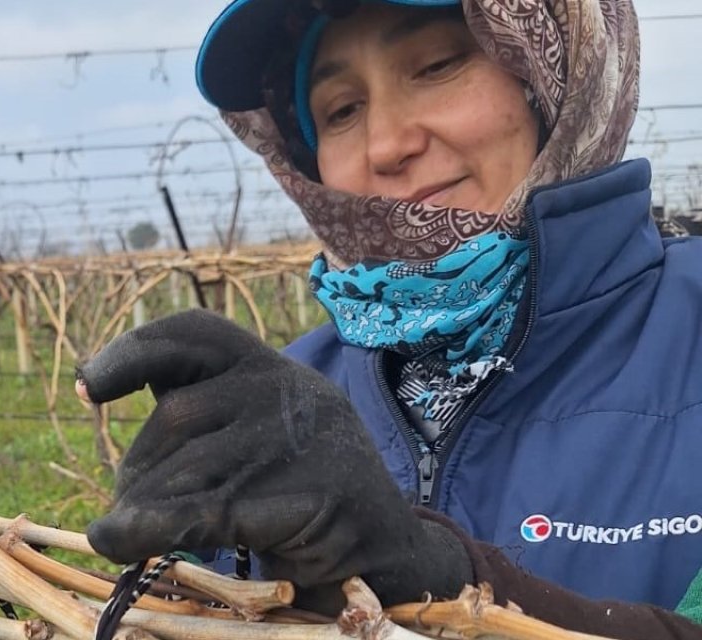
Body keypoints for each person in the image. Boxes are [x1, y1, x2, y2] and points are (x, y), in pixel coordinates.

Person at [76, 0, 702, 637]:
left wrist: (429, 572)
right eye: (341, 110)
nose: (387, 145)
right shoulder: (288, 408)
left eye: (435, 65)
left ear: (556, 70)